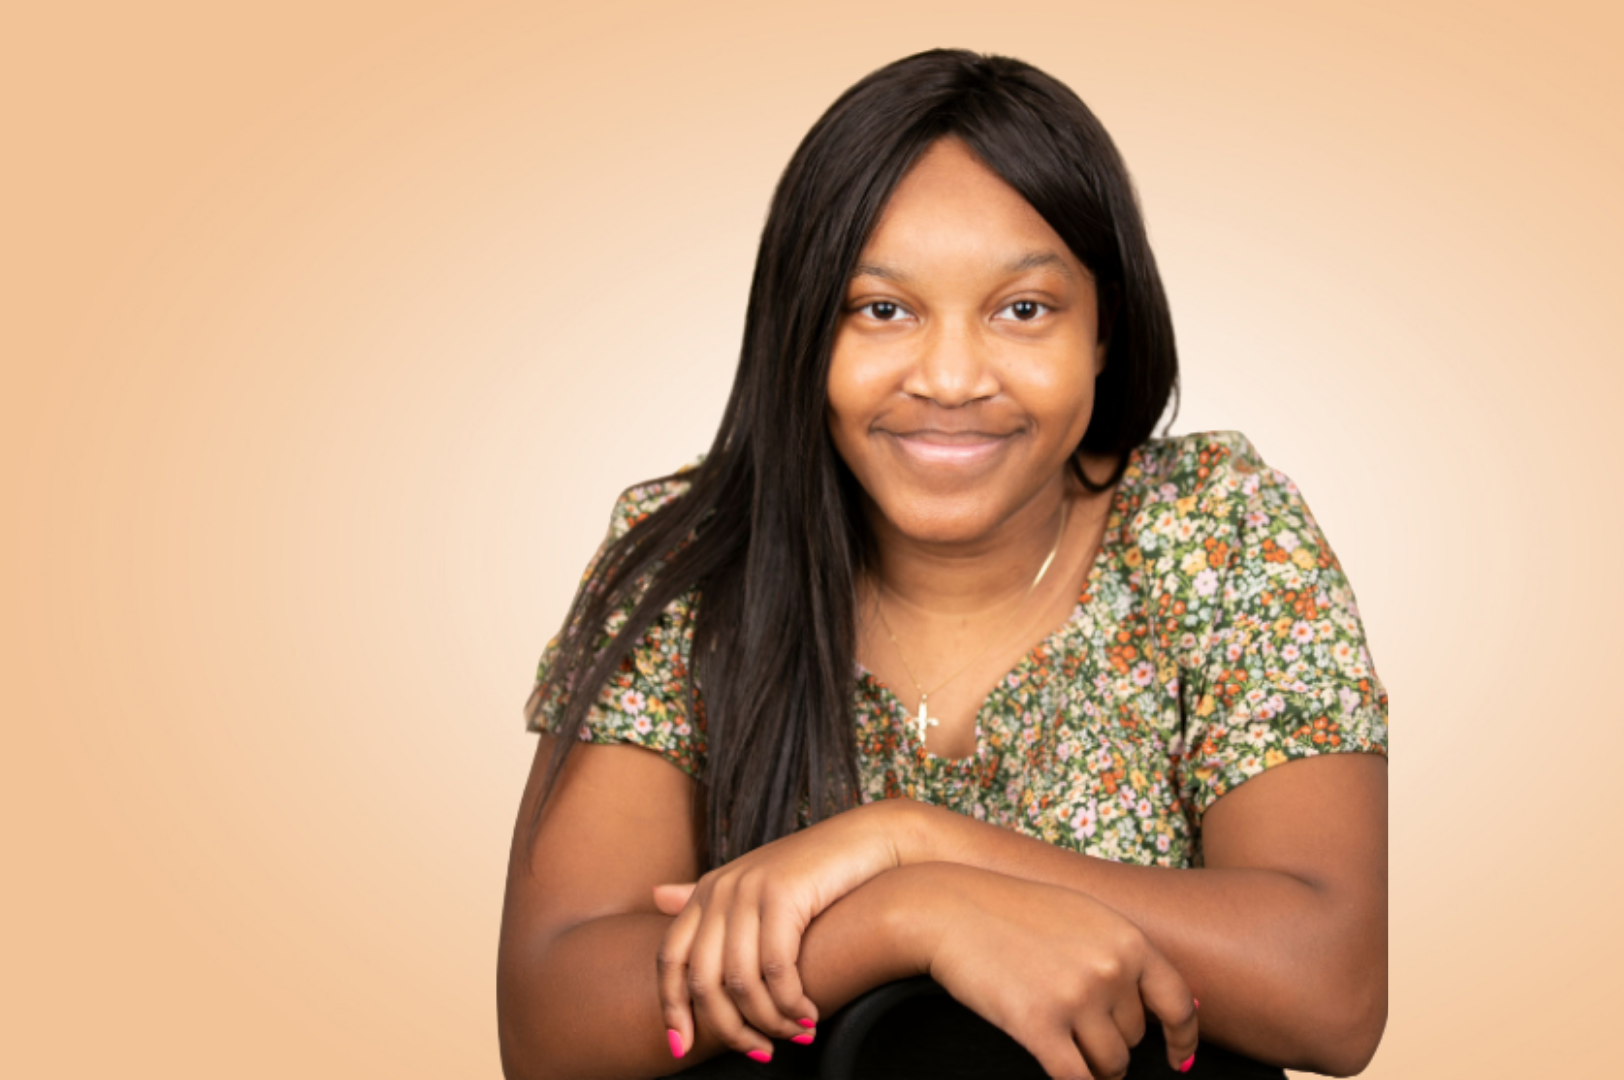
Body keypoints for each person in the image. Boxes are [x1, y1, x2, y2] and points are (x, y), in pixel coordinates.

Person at [497, 49, 1389, 1080]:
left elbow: (1330, 991)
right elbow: (552, 1023)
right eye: (882, 309)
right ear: (801, 332)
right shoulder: (698, 557)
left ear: (1105, 329)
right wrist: (908, 915)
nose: (953, 378)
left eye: (1023, 310)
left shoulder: (1220, 532)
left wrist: (916, 840)